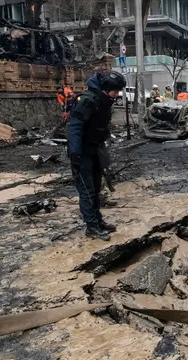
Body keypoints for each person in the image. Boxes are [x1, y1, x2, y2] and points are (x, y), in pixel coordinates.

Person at [67, 71, 126, 241]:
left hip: (95, 149)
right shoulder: (87, 100)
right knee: (87, 191)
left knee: (96, 188)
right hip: (82, 152)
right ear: (107, 89)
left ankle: (98, 221)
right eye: (116, 91)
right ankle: (91, 227)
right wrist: (75, 153)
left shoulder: (103, 100)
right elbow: (75, 128)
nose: (117, 94)